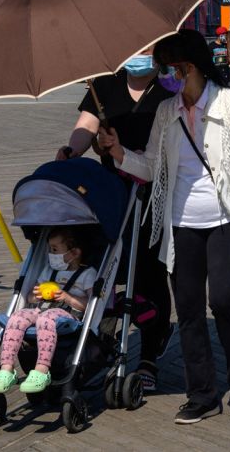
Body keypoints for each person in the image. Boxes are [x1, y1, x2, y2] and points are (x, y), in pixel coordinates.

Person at [98, 29, 230, 424]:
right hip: (180, 224)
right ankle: (202, 394)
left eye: (169, 71)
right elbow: (154, 169)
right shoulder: (167, 112)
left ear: (189, 68)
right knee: (189, 311)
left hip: (226, 218)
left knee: (224, 300)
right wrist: (119, 152)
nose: (164, 78)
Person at [57, 56, 173, 391]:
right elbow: (85, 126)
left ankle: (150, 354)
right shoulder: (104, 85)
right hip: (112, 192)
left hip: (152, 190)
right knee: (108, 269)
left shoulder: (167, 93)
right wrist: (74, 149)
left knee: (150, 273)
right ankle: (101, 342)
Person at [0, 227, 97, 395]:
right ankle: (6, 368)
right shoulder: (49, 270)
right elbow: (32, 298)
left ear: (74, 252)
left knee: (45, 319)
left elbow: (90, 305)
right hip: (42, 309)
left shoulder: (87, 274)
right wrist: (37, 295)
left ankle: (42, 370)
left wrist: (67, 297)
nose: (50, 254)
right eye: (49, 249)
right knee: (16, 317)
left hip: (68, 314)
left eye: (55, 250)